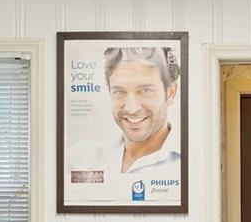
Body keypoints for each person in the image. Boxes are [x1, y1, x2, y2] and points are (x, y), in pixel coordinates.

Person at [71, 45, 182, 203]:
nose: (131, 108)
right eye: (119, 91)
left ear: (170, 92)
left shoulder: (193, 164)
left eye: (145, 90)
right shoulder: (80, 157)